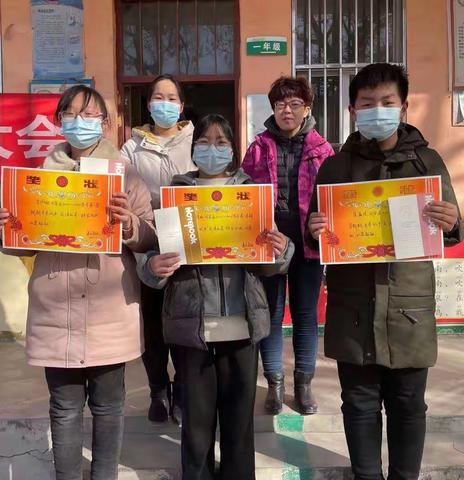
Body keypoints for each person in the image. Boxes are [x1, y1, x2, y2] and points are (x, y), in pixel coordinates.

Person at [0, 85, 156, 480]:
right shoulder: (36, 180)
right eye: (72, 114)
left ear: (106, 122)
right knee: (63, 410)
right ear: (60, 120)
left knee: (108, 408)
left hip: (109, 312)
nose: (80, 123)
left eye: (90, 115)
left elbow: (152, 235)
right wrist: (4, 232)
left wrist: (129, 224)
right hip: (55, 312)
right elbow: (22, 247)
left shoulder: (125, 177)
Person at [308, 63, 462, 480]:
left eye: (387, 103)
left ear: (404, 106)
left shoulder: (427, 163)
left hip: (408, 309)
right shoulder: (334, 168)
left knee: (409, 405)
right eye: (367, 103)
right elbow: (312, 236)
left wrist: (452, 221)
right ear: (353, 110)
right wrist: (314, 229)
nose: (378, 110)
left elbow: (451, 231)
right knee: (358, 405)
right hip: (352, 310)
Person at [136, 114, 294, 480]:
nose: (213, 149)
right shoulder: (175, 196)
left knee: (239, 427)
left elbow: (270, 266)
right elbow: (152, 261)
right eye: (204, 142)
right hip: (192, 326)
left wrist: (280, 251)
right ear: (193, 151)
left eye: (221, 142)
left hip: (242, 325)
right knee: (196, 426)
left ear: (233, 149)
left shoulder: (252, 195)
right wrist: (153, 268)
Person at [242, 76, 334, 415]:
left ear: (307, 108)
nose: (287, 110)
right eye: (281, 104)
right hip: (270, 243)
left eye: (295, 103)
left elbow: (333, 201)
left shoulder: (322, 150)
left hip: (308, 244)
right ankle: (275, 385)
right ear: (273, 108)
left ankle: (303, 385)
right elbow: (244, 193)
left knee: (306, 315)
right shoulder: (258, 147)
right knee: (272, 314)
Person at [121, 74, 195, 424]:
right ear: (149, 103)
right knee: (152, 326)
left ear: (181, 105)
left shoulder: (197, 141)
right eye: (157, 97)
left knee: (182, 323)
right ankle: (158, 391)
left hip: (187, 244)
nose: (164, 103)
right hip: (147, 243)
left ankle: (181, 389)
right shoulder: (130, 148)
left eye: (171, 97)